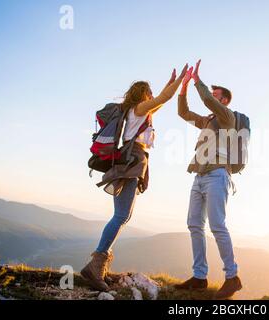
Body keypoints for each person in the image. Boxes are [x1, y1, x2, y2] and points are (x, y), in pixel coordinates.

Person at [80, 64, 188, 291]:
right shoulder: (139, 109)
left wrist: (172, 82)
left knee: (123, 215)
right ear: (145, 95)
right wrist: (181, 81)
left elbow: (161, 100)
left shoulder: (138, 112)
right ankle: (96, 264)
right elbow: (164, 98)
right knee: (121, 215)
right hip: (131, 163)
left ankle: (99, 264)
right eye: (151, 93)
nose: (153, 97)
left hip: (131, 162)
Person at [175, 60, 242, 299]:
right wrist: (183, 87)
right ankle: (200, 277)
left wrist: (197, 81)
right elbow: (183, 113)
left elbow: (207, 100)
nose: (211, 97)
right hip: (200, 177)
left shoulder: (227, 118)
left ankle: (232, 277)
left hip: (217, 176)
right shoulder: (207, 121)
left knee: (217, 226)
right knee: (194, 224)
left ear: (223, 101)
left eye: (216, 95)